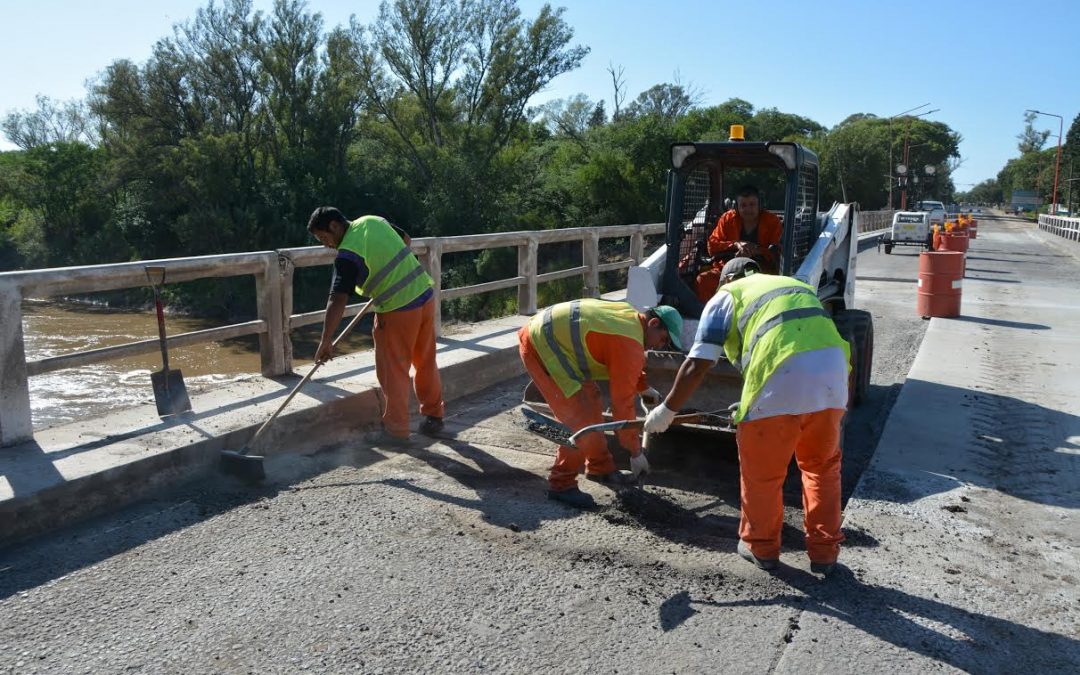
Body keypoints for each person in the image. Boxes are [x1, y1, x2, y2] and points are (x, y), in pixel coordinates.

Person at [646, 257, 849, 575]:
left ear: (725, 279)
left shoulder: (728, 295)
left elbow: (698, 362)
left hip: (779, 378)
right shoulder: (795, 286)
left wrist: (666, 411)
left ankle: (761, 546)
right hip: (833, 380)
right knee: (821, 470)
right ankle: (825, 554)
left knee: (763, 474)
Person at [518, 299, 683, 509]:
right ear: (653, 324)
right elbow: (621, 408)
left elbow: (626, 358)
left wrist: (642, 387)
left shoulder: (631, 322)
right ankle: (561, 484)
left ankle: (600, 468)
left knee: (592, 399)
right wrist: (635, 452)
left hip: (551, 339)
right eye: (663, 339)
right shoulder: (628, 342)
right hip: (540, 345)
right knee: (579, 419)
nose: (660, 345)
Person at [308, 206, 445, 445]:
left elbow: (337, 298)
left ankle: (396, 432)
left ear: (334, 226)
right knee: (425, 361)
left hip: (398, 309)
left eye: (324, 238)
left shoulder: (347, 254)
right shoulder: (372, 220)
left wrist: (326, 341)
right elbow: (405, 240)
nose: (325, 244)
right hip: (424, 295)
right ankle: (434, 416)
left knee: (393, 371)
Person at [695, 185, 782, 302]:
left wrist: (754, 251)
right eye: (743, 205)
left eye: (752, 204)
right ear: (736, 207)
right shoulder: (727, 219)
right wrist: (736, 244)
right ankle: (711, 316)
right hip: (728, 270)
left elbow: (778, 251)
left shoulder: (772, 221)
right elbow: (712, 246)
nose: (748, 209)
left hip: (760, 272)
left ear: (760, 205)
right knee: (703, 280)